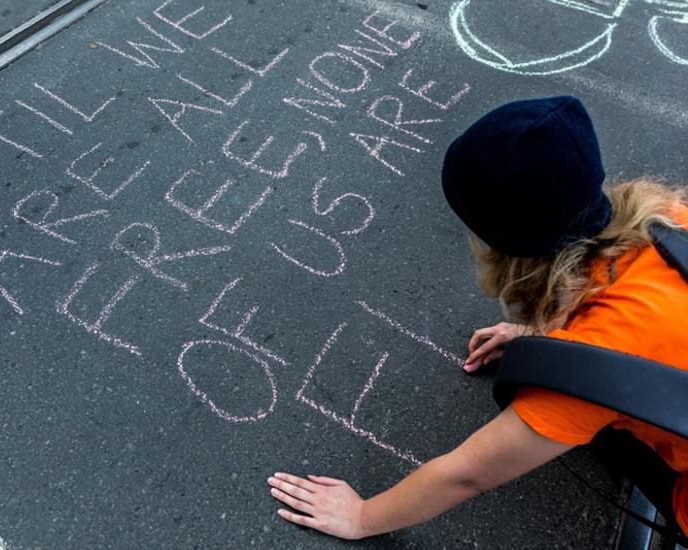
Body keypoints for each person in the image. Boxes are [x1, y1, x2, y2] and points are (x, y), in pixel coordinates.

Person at [267, 96, 688, 541]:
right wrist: (546, 342)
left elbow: (466, 475)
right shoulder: (670, 220)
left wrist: (361, 517)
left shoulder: (595, 371)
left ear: (509, 249)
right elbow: (650, 323)